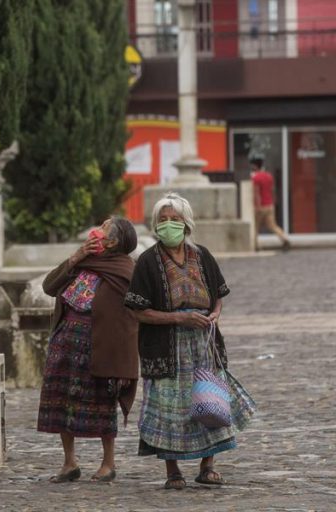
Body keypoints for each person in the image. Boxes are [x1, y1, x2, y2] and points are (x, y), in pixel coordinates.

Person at [125, 192, 256, 490]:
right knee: (169, 407)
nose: (168, 224)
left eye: (175, 219)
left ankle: (207, 466)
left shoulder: (202, 256)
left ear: (186, 223)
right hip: (166, 348)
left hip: (203, 345)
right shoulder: (147, 261)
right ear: (156, 224)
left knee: (209, 402)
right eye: (163, 219)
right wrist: (178, 318)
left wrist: (214, 314)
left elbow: (218, 296)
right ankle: (173, 471)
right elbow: (137, 310)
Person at [37, 217, 140, 483]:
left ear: (112, 242)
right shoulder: (84, 260)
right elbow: (49, 286)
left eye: (104, 227)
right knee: (62, 401)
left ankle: (108, 463)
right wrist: (77, 255)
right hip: (65, 342)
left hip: (99, 347)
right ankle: (69, 462)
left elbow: (129, 320)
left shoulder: (125, 271)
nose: (97, 229)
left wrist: (125, 360)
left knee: (103, 403)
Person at [251, 158, 291, 251]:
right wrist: (273, 201)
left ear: (255, 166)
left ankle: (256, 246)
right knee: (272, 226)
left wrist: (257, 206)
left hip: (261, 206)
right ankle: (284, 239)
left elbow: (256, 193)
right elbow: (272, 190)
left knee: (255, 227)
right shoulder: (269, 176)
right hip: (269, 205)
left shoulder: (256, 178)